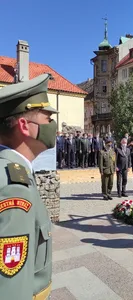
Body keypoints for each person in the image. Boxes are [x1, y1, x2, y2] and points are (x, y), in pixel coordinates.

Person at [0, 74, 56, 298]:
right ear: (24, 125)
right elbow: (11, 286)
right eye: (47, 118)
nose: (52, 125)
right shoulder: (14, 186)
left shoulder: (14, 172)